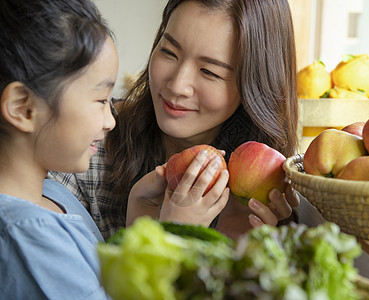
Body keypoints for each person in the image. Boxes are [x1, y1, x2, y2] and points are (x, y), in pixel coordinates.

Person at [50, 0, 300, 240]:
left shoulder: (277, 183)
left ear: (255, 87)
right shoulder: (88, 144)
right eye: (169, 52)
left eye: (209, 72)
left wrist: (238, 254)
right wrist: (172, 235)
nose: (177, 85)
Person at [0, 0, 121, 298]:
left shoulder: (53, 194)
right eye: (101, 100)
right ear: (23, 108)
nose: (111, 121)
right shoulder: (28, 234)